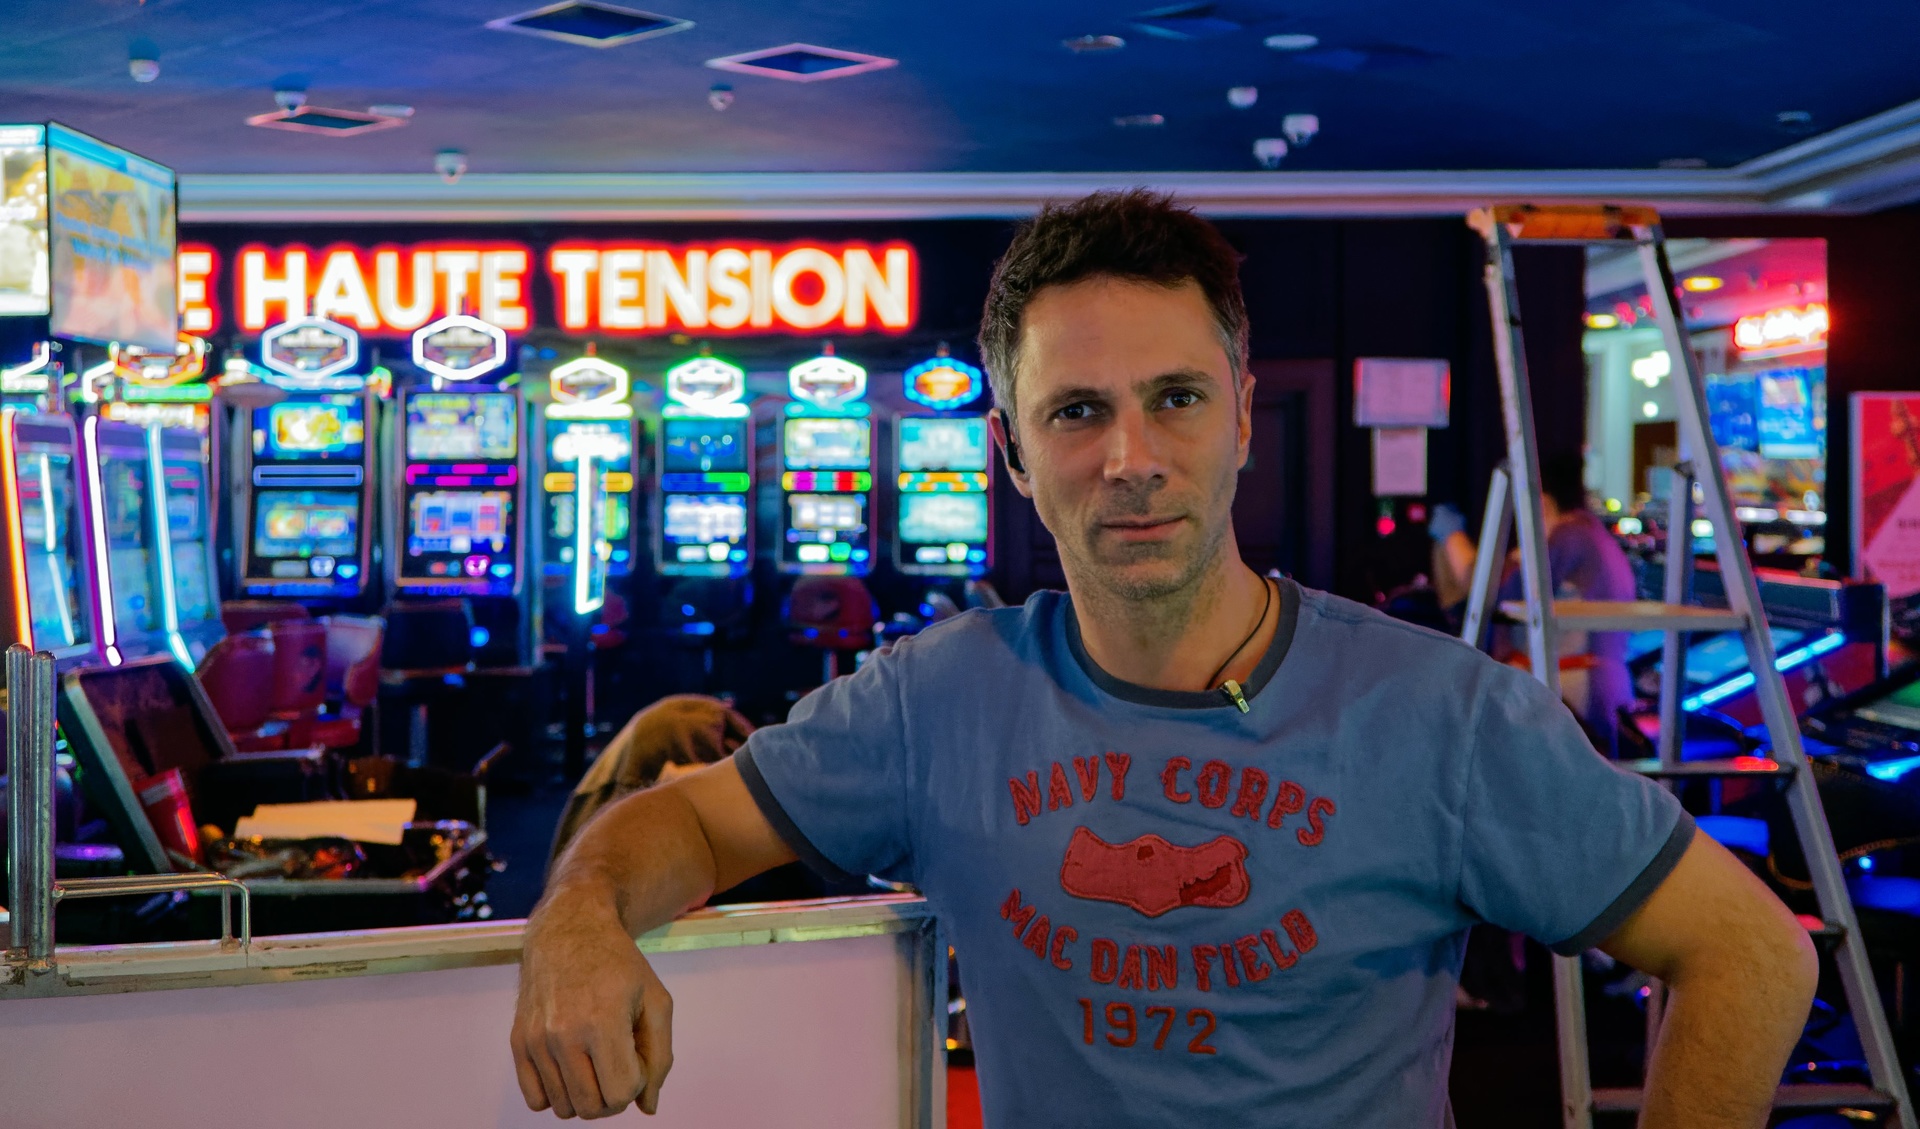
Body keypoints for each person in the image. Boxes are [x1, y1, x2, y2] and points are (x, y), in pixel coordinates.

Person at [513, 191, 1816, 1127]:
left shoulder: (1442, 714)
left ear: (1242, 416)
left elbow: (1751, 954)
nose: (1131, 458)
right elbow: (686, 821)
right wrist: (578, 913)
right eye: (1078, 411)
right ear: (1014, 457)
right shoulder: (938, 699)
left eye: (1176, 399)